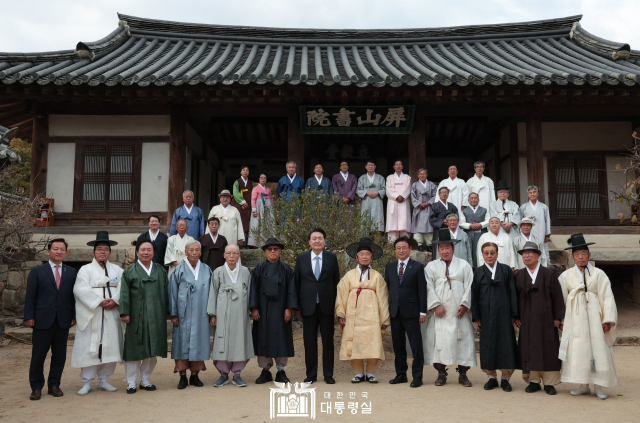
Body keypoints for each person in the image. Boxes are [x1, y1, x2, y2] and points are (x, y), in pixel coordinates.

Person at [558, 234, 618, 399]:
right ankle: (583, 384)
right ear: (573, 257)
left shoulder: (599, 274)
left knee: (599, 349)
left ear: (589, 255)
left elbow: (607, 297)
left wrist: (607, 320)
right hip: (574, 318)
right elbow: (561, 299)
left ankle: (599, 386)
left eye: (584, 253)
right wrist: (562, 321)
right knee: (579, 350)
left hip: (595, 316)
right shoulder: (565, 276)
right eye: (577, 254)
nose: (581, 257)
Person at [24, 239, 77, 401]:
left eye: (62, 249)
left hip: (63, 320)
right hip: (42, 319)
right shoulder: (38, 271)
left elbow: (74, 297)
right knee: (38, 355)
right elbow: (30, 297)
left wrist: (73, 315)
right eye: (55, 249)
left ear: (66, 253)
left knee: (59, 355)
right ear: (48, 251)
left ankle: (54, 385)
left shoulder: (72, 272)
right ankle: (36, 387)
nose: (59, 252)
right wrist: (29, 316)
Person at [71, 232, 123, 396]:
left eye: (106, 249)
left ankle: (104, 380)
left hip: (110, 313)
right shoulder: (85, 270)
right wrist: (98, 302)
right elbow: (80, 289)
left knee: (110, 346)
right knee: (90, 347)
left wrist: (114, 300)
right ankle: (87, 381)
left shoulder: (117, 270)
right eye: (99, 249)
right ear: (94, 252)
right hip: (92, 313)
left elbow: (124, 288)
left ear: (110, 252)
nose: (102, 252)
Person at [423, 228, 476, 387]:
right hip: (440, 313)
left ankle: (463, 374)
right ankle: (441, 373)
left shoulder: (464, 265)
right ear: (438, 249)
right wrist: (436, 304)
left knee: (463, 341)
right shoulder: (431, 267)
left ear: (453, 248)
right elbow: (427, 287)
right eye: (441, 248)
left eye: (447, 248)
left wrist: (465, 304)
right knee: (439, 343)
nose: (444, 251)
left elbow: (470, 286)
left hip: (459, 311)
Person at [336, 238, 390, 384]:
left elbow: (383, 298)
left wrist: (384, 318)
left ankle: (371, 372)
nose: (365, 257)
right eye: (362, 254)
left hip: (372, 315)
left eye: (367, 254)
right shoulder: (348, 276)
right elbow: (341, 293)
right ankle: (358, 372)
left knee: (373, 341)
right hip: (353, 314)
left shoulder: (377, 276)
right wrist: (341, 312)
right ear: (357, 257)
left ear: (372, 257)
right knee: (355, 342)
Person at [514, 242, 565, 395]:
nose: (527, 256)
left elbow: (557, 296)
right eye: (524, 253)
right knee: (529, 348)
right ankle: (533, 381)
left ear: (538, 256)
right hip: (527, 319)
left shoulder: (548, 273)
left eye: (530, 253)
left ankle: (550, 383)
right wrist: (516, 316)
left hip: (547, 319)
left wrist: (558, 317)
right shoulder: (520, 275)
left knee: (548, 348)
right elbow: (515, 298)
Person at [120, 240, 168, 394]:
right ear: (137, 252)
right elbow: (124, 293)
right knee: (134, 349)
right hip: (136, 316)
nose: (146, 252)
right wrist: (125, 312)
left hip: (156, 315)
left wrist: (168, 311)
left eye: (149, 250)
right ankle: (131, 382)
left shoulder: (160, 270)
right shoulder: (129, 271)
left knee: (151, 349)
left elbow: (167, 293)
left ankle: (146, 380)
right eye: (143, 250)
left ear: (153, 252)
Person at [294, 228, 341, 384]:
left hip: (326, 305)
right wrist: (297, 306)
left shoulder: (331, 258)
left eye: (320, 238)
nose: (317, 241)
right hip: (307, 305)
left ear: (324, 241)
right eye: (314, 238)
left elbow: (336, 282)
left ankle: (328, 374)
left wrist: (336, 304)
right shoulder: (301, 259)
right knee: (309, 342)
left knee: (328, 341)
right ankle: (311, 374)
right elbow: (297, 283)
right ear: (309, 241)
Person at [471, 242, 519, 392]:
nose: (489, 255)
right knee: (488, 344)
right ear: (482, 255)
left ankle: (505, 378)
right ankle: (491, 377)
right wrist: (477, 317)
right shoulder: (478, 272)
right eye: (486, 253)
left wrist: (513, 314)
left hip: (504, 316)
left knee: (506, 344)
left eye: (492, 252)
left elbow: (513, 293)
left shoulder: (505, 270)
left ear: (497, 254)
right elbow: (475, 295)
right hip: (486, 316)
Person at [251, 238, 298, 384]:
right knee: (263, 338)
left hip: (280, 310)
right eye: (269, 249)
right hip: (263, 311)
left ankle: (281, 370)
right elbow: (253, 289)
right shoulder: (258, 269)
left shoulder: (286, 269)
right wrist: (254, 308)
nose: (272, 251)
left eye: (275, 249)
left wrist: (289, 309)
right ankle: (265, 370)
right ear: (265, 252)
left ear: (280, 252)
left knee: (281, 339)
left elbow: (291, 290)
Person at [208, 244, 254, 388]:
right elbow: (213, 292)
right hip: (223, 312)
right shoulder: (218, 272)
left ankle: (237, 373)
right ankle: (223, 374)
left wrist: (251, 310)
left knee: (240, 340)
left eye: (235, 253)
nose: (232, 256)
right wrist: (213, 314)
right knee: (222, 340)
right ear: (224, 255)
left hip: (240, 312)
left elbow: (251, 291)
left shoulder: (245, 271)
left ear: (239, 256)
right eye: (229, 253)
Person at [169, 240, 212, 390]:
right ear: (186, 252)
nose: (194, 252)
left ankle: (195, 374)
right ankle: (182, 376)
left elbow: (212, 293)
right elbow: (173, 292)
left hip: (201, 311)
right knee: (182, 342)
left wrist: (212, 313)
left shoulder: (207, 270)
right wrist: (173, 313)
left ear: (200, 252)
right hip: (183, 312)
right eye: (191, 250)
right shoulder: (179, 270)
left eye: (197, 250)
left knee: (198, 342)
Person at [385, 236, 427, 388]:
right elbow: (388, 290)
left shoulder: (417, 267)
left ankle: (417, 376)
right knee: (398, 345)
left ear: (410, 249)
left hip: (412, 312)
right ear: (395, 250)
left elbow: (422, 291)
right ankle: (401, 374)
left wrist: (423, 312)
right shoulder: (389, 267)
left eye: (404, 247)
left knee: (416, 346)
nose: (401, 250)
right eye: (398, 248)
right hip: (395, 312)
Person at [519, 185, 551, 265]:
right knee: (528, 249)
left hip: (541, 231)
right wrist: (521, 233)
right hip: (528, 233)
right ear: (527, 195)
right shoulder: (523, 207)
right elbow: (520, 221)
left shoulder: (544, 207)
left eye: (534, 192)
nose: (532, 194)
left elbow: (547, 220)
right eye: (530, 193)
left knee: (542, 248)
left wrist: (547, 234)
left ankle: (544, 266)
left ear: (538, 194)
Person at [410, 168, 437, 252]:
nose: (422, 175)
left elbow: (435, 195)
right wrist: (419, 204)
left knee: (429, 226)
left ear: (427, 175)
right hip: (419, 209)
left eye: (424, 174)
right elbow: (412, 196)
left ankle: (429, 244)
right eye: (420, 174)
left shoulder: (432, 184)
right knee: (418, 227)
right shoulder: (414, 185)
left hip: (428, 208)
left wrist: (428, 203)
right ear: (418, 176)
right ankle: (420, 244)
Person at [459, 192, 489, 268]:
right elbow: (461, 223)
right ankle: (470, 269)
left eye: (475, 198)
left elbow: (489, 221)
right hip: (468, 234)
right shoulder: (464, 211)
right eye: (471, 198)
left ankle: (482, 268)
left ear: (478, 199)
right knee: (469, 252)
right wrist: (470, 225)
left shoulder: (484, 210)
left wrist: (480, 225)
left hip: (482, 234)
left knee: (481, 251)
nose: (473, 200)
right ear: (468, 200)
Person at [386, 160, 412, 241]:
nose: (398, 166)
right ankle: (392, 242)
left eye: (400, 164)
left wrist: (403, 196)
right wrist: (397, 196)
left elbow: (408, 188)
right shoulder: (389, 177)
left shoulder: (407, 177)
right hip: (393, 201)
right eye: (396, 165)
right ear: (393, 166)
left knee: (404, 221)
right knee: (392, 223)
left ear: (402, 166)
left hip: (403, 201)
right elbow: (388, 189)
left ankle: (405, 241)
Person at [356, 161, 386, 232]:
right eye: (368, 165)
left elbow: (384, 189)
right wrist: (366, 192)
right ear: (365, 167)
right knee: (366, 220)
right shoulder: (362, 178)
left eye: (372, 165)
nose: (370, 167)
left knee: (377, 219)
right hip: (366, 201)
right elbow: (358, 190)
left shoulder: (380, 178)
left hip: (377, 201)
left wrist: (378, 192)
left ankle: (377, 238)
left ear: (375, 167)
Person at [248, 173, 274, 247]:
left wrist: (272, 210)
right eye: (261, 177)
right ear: (259, 179)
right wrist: (254, 210)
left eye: (264, 178)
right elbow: (253, 200)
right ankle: (256, 243)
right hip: (258, 208)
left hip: (267, 208)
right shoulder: (255, 189)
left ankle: (268, 241)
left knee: (268, 224)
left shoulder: (268, 189)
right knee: (257, 224)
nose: (263, 179)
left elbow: (271, 199)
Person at [231, 165, 254, 245]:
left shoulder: (251, 182)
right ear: (240, 172)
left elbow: (254, 193)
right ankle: (238, 242)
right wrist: (243, 201)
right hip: (239, 204)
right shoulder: (237, 182)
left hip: (249, 205)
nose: (245, 172)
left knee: (248, 222)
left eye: (247, 170)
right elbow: (235, 193)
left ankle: (248, 243)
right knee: (239, 221)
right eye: (243, 170)